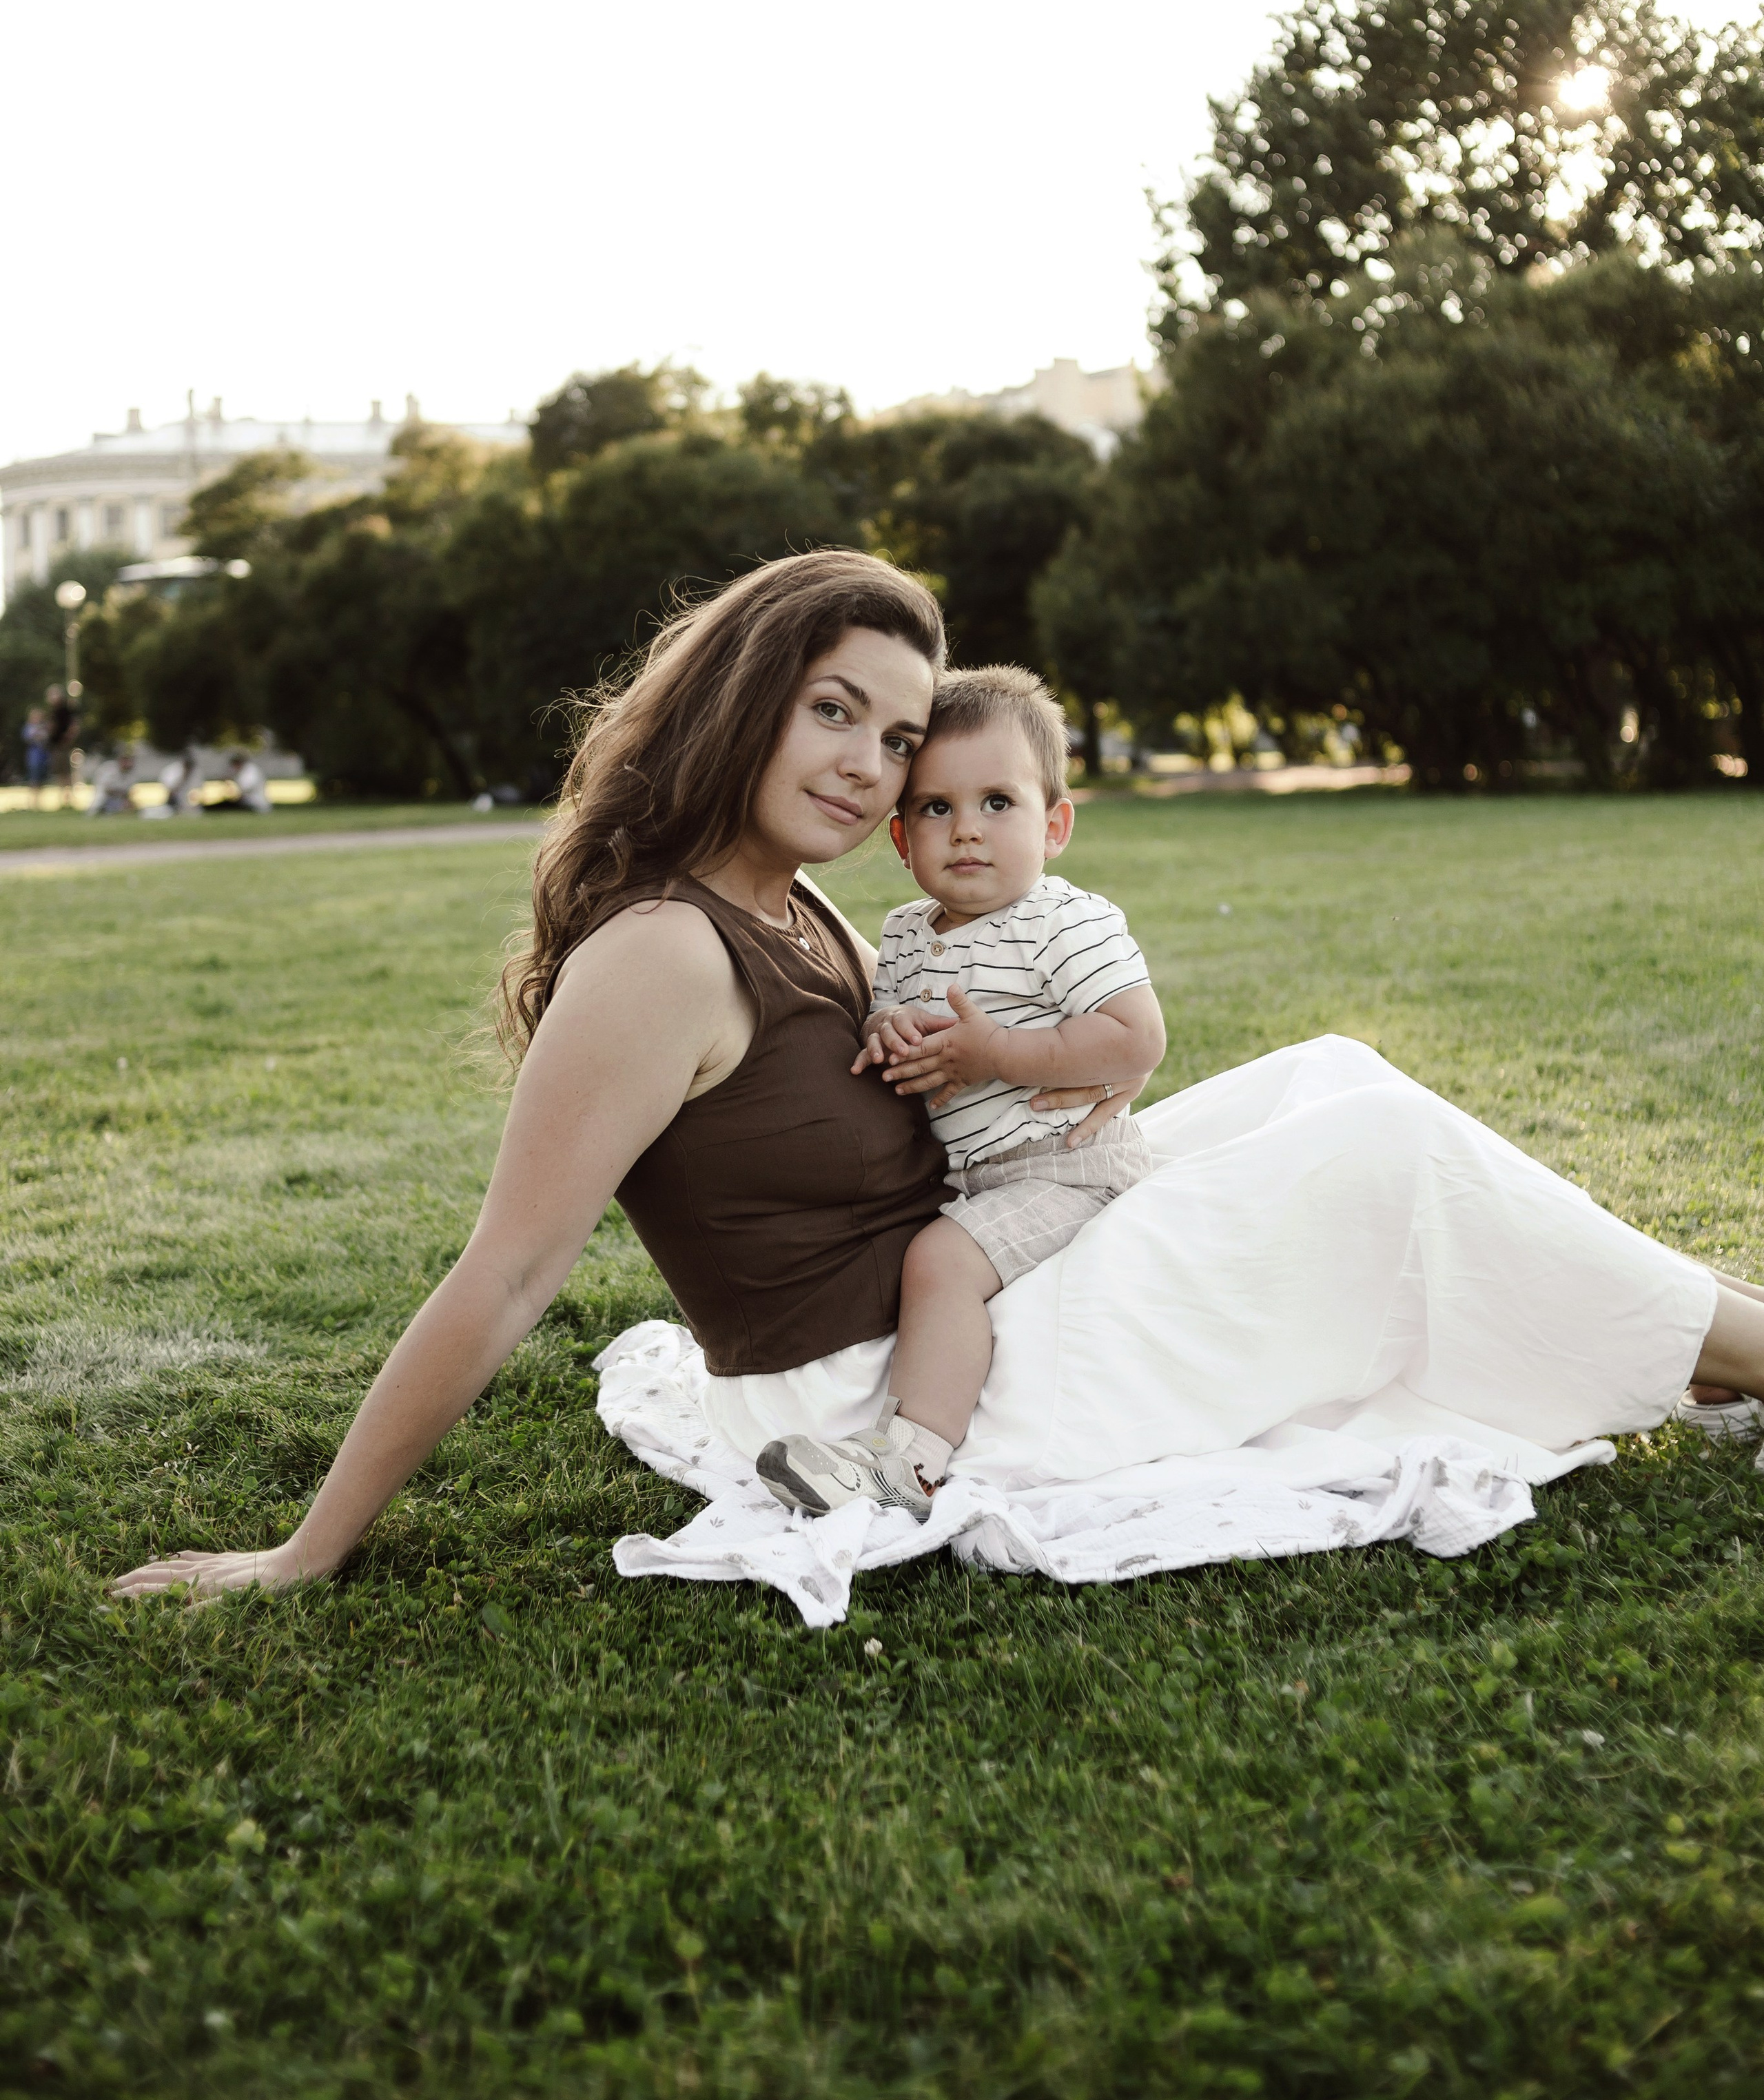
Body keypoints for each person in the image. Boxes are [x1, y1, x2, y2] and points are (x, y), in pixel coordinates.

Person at [109, 549, 1764, 1607]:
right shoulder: (661, 955)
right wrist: (300, 1551)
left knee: (1328, 1074)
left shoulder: (801, 898)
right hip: (909, 1387)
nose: (871, 766)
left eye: (898, 739)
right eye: (835, 711)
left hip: (973, 1283)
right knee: (1383, 1154)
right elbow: (509, 1267)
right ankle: (1734, 1339)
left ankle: (1699, 1322)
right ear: (746, 696)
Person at [756, 666, 1165, 1520]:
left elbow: (1135, 1037)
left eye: (997, 804)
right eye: (937, 809)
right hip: (978, 1177)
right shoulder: (905, 934)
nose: (966, 831)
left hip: (1065, 1166)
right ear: (903, 841)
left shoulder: (1063, 919)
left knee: (937, 1260)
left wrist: (997, 1054)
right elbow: (892, 1016)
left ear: (1053, 825)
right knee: (933, 1243)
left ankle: (907, 1462)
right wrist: (884, 1033)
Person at [84, 744, 141, 816]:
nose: (128, 764)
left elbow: (129, 791)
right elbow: (105, 789)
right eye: (125, 761)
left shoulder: (131, 774)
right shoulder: (109, 769)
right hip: (105, 797)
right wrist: (119, 793)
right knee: (100, 801)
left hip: (119, 798)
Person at [20, 706, 51, 805]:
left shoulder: (45, 727)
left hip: (44, 756)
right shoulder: (28, 727)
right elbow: (28, 738)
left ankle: (39, 802)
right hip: (34, 757)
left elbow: (47, 738)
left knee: (42, 779)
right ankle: (32, 802)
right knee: (33, 779)